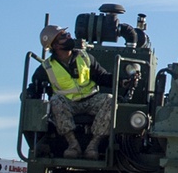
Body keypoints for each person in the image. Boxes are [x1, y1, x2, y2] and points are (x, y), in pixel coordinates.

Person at [26, 25, 113, 160]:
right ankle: (73, 145)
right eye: (63, 36)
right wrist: (29, 95)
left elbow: (102, 77)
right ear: (55, 45)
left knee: (109, 99)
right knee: (55, 100)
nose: (68, 37)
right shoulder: (46, 67)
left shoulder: (85, 57)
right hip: (68, 104)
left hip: (91, 100)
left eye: (67, 34)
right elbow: (35, 88)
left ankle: (93, 145)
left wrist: (122, 80)